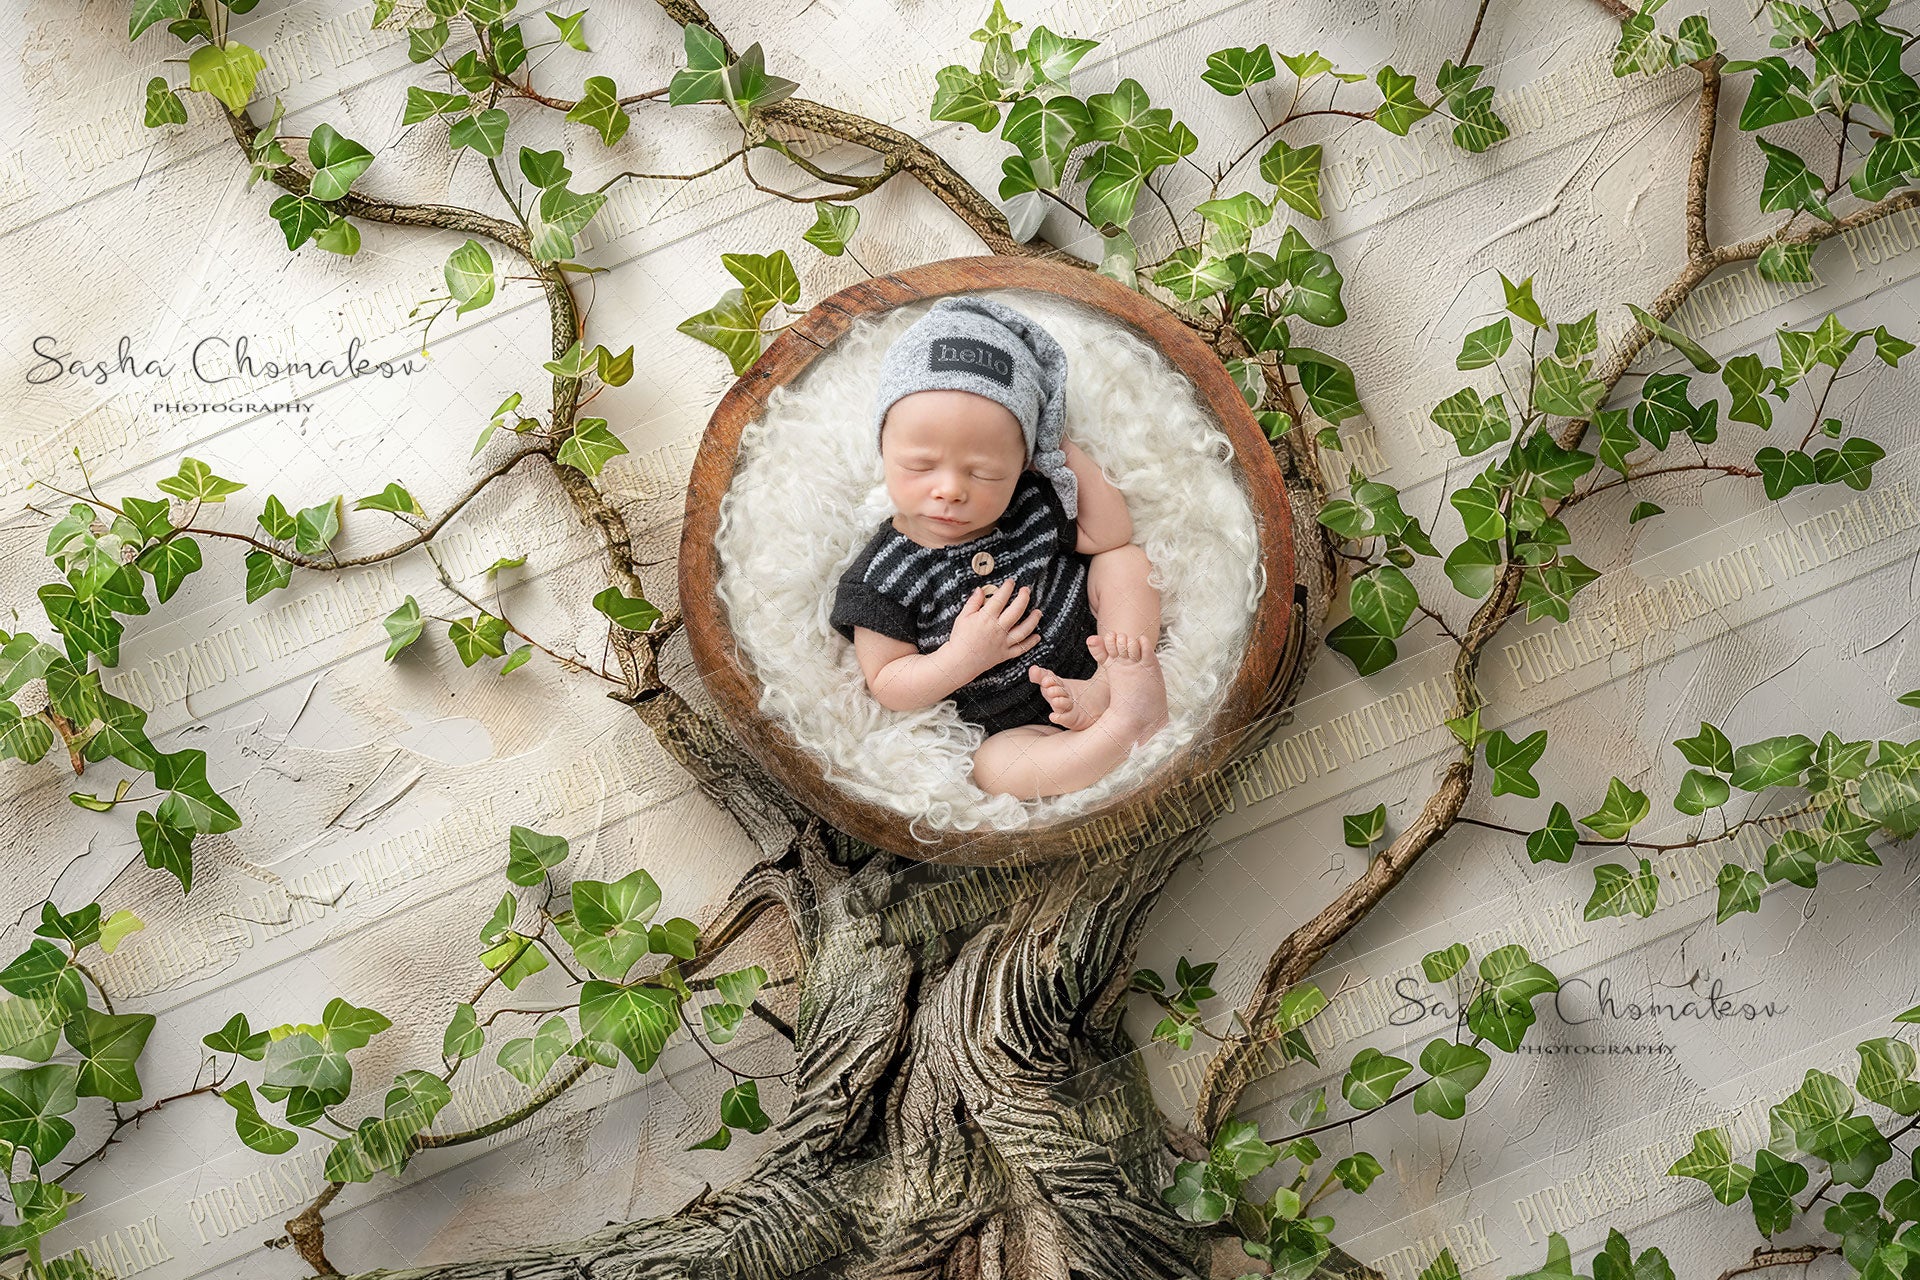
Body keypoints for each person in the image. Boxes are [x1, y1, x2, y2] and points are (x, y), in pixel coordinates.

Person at [828, 296, 1167, 800]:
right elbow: (889, 682)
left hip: (1097, 646)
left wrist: (1055, 446)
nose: (950, 490)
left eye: (985, 472)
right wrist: (964, 656)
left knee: (1125, 563)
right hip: (1014, 716)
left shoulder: (1026, 503)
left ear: (1023, 465)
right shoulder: (881, 575)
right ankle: (1119, 732)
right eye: (920, 466)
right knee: (994, 769)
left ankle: (1122, 673)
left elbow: (1109, 534)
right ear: (883, 448)